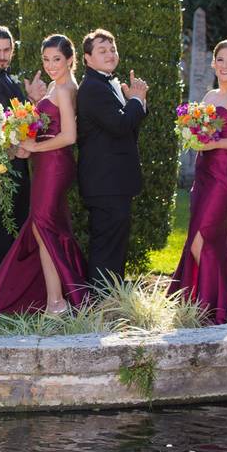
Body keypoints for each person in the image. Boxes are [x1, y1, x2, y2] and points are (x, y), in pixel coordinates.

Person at [0, 35, 87, 314]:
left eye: (57, 59)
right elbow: (50, 126)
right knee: (44, 228)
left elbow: (69, 136)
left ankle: (56, 301)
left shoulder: (66, 89)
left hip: (56, 164)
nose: (51, 65)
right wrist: (27, 142)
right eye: (46, 59)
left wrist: (35, 144)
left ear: (70, 59)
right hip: (46, 162)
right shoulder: (57, 85)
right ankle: (55, 297)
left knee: (43, 226)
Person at [168, 40, 227, 324]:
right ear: (213, 63)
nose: (224, 65)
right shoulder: (210, 96)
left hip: (223, 177)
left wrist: (216, 141)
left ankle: (213, 306)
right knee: (210, 241)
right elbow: (201, 134)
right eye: (220, 60)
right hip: (203, 174)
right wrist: (193, 136)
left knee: (201, 241)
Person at [75, 29, 148, 284]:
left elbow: (127, 129)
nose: (110, 54)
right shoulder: (93, 88)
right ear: (87, 58)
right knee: (106, 246)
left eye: (112, 49)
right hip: (104, 182)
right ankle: (102, 302)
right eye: (102, 50)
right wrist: (137, 100)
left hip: (114, 182)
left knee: (116, 245)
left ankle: (112, 300)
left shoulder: (109, 83)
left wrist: (134, 101)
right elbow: (119, 125)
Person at [0, 26, 44, 275]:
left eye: (7, 50)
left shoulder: (5, 77)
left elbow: (18, 121)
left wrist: (33, 100)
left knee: (8, 227)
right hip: (1, 171)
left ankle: (4, 287)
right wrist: (19, 149)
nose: (2, 55)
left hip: (12, 167)